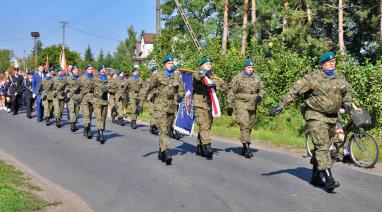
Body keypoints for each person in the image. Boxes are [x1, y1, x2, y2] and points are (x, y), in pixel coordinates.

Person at [269, 51, 356, 192]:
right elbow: (294, 91)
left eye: (333, 61)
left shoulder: (339, 77)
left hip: (332, 117)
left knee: (325, 147)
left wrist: (347, 102)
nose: (332, 63)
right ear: (322, 64)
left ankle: (315, 177)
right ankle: (329, 179)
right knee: (322, 145)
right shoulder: (312, 78)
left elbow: (348, 91)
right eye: (329, 62)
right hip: (315, 115)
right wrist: (281, 105)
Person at [139, 55, 185, 165]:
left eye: (172, 63)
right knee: (163, 130)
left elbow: (182, 90)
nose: (171, 65)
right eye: (169, 63)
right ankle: (167, 151)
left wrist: (180, 96)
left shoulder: (176, 77)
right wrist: (140, 103)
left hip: (171, 107)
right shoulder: (158, 76)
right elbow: (146, 88)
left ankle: (161, 151)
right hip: (160, 107)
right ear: (165, 64)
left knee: (167, 130)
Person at [227, 59, 265, 158]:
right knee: (244, 124)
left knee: (250, 125)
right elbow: (231, 91)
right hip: (241, 103)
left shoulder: (256, 77)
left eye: (252, 67)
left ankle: (244, 146)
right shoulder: (238, 77)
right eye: (249, 67)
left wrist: (260, 96)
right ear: (244, 68)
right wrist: (230, 105)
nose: (250, 69)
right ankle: (247, 147)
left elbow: (262, 89)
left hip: (253, 104)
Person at [192, 56, 224, 160]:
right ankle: (207, 147)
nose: (209, 66)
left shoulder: (212, 77)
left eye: (210, 64)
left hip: (210, 105)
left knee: (207, 126)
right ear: (202, 66)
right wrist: (205, 74)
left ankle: (199, 147)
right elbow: (197, 77)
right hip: (199, 104)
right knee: (204, 126)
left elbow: (222, 86)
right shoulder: (197, 74)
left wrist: (216, 85)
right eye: (206, 64)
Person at [93, 65, 111, 144]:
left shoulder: (108, 79)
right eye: (103, 69)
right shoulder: (95, 78)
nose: (104, 70)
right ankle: (101, 133)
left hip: (105, 100)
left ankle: (99, 131)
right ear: (99, 70)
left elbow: (112, 88)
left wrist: (108, 90)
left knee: (103, 118)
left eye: (105, 69)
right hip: (97, 100)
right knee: (99, 117)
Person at [80, 64, 95, 139]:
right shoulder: (82, 78)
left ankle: (86, 128)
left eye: (92, 69)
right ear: (86, 70)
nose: (91, 70)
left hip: (93, 99)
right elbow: (77, 87)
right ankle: (88, 130)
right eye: (89, 69)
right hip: (84, 98)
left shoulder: (95, 78)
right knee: (86, 114)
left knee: (90, 115)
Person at [66, 65, 82, 132]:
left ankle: (74, 123)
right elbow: (67, 87)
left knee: (77, 112)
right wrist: (66, 95)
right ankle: (72, 124)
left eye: (77, 70)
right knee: (72, 111)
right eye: (75, 70)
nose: (76, 71)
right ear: (72, 71)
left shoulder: (81, 78)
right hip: (71, 96)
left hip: (78, 97)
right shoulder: (69, 78)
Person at [146, 66, 159, 134]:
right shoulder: (149, 80)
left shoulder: (160, 79)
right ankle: (153, 126)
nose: (156, 72)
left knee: (157, 112)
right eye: (154, 71)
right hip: (151, 97)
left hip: (158, 98)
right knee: (152, 112)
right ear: (152, 72)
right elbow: (146, 89)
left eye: (156, 71)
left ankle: (155, 126)